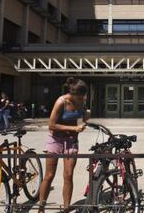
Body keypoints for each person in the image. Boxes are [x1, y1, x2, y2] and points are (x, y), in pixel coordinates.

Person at [38, 77, 91, 212]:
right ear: (72, 94)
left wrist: (84, 120)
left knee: (68, 175)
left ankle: (66, 208)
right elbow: (51, 124)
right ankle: (41, 207)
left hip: (71, 141)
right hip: (55, 140)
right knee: (49, 175)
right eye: (80, 97)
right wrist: (73, 128)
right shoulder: (61, 102)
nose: (82, 100)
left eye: (83, 97)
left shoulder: (82, 102)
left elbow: (78, 121)